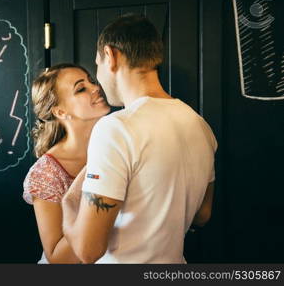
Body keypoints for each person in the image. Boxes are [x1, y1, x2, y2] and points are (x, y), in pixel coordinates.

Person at [62, 14, 218, 264]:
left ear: (110, 55)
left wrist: (68, 205)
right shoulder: (200, 126)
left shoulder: (116, 128)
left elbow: (87, 250)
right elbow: (203, 215)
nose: (98, 80)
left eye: (97, 65)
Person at [22, 63, 110, 263]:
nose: (96, 88)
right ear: (60, 112)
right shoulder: (46, 172)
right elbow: (57, 259)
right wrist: (98, 213)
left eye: (91, 81)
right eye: (81, 89)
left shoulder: (117, 145)